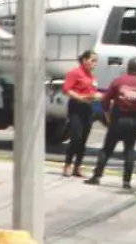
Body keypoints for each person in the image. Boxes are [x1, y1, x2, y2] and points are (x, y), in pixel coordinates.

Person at [86, 59, 136, 189]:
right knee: (129, 151)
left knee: (107, 149)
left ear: (127, 69)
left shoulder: (118, 81)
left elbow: (105, 100)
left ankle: (96, 176)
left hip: (117, 120)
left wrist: (107, 115)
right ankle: (126, 182)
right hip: (133, 121)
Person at [60, 49, 99, 177]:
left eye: (95, 61)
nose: (94, 64)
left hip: (88, 108)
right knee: (75, 137)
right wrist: (79, 97)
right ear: (84, 60)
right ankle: (67, 164)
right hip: (76, 107)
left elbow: (92, 91)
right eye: (92, 60)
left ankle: (78, 166)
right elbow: (66, 89)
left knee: (83, 138)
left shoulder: (91, 76)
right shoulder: (75, 73)